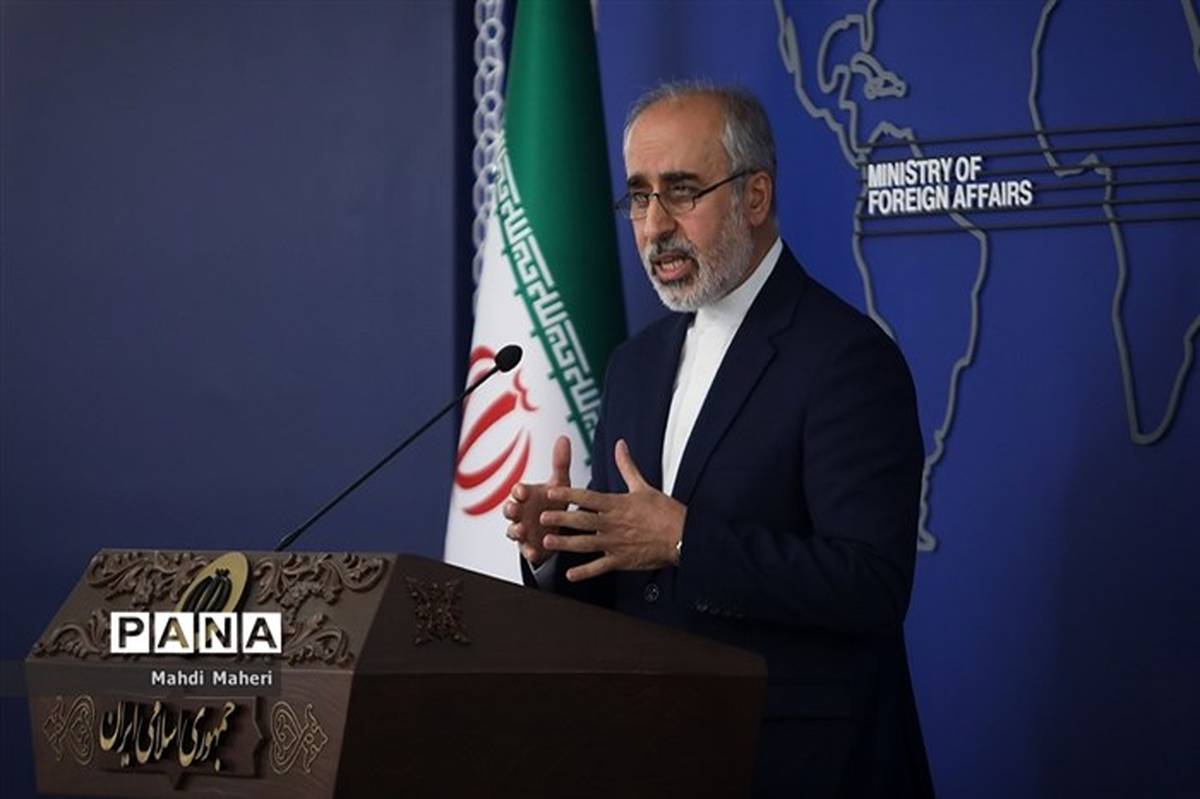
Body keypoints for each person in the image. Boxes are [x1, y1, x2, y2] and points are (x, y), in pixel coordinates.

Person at [503, 82, 934, 798]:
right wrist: (556, 552)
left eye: (681, 191)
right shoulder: (634, 364)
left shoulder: (846, 358)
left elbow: (871, 586)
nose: (655, 225)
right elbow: (634, 585)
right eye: (638, 196)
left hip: (802, 767)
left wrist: (683, 539)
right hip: (653, 758)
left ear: (754, 197)